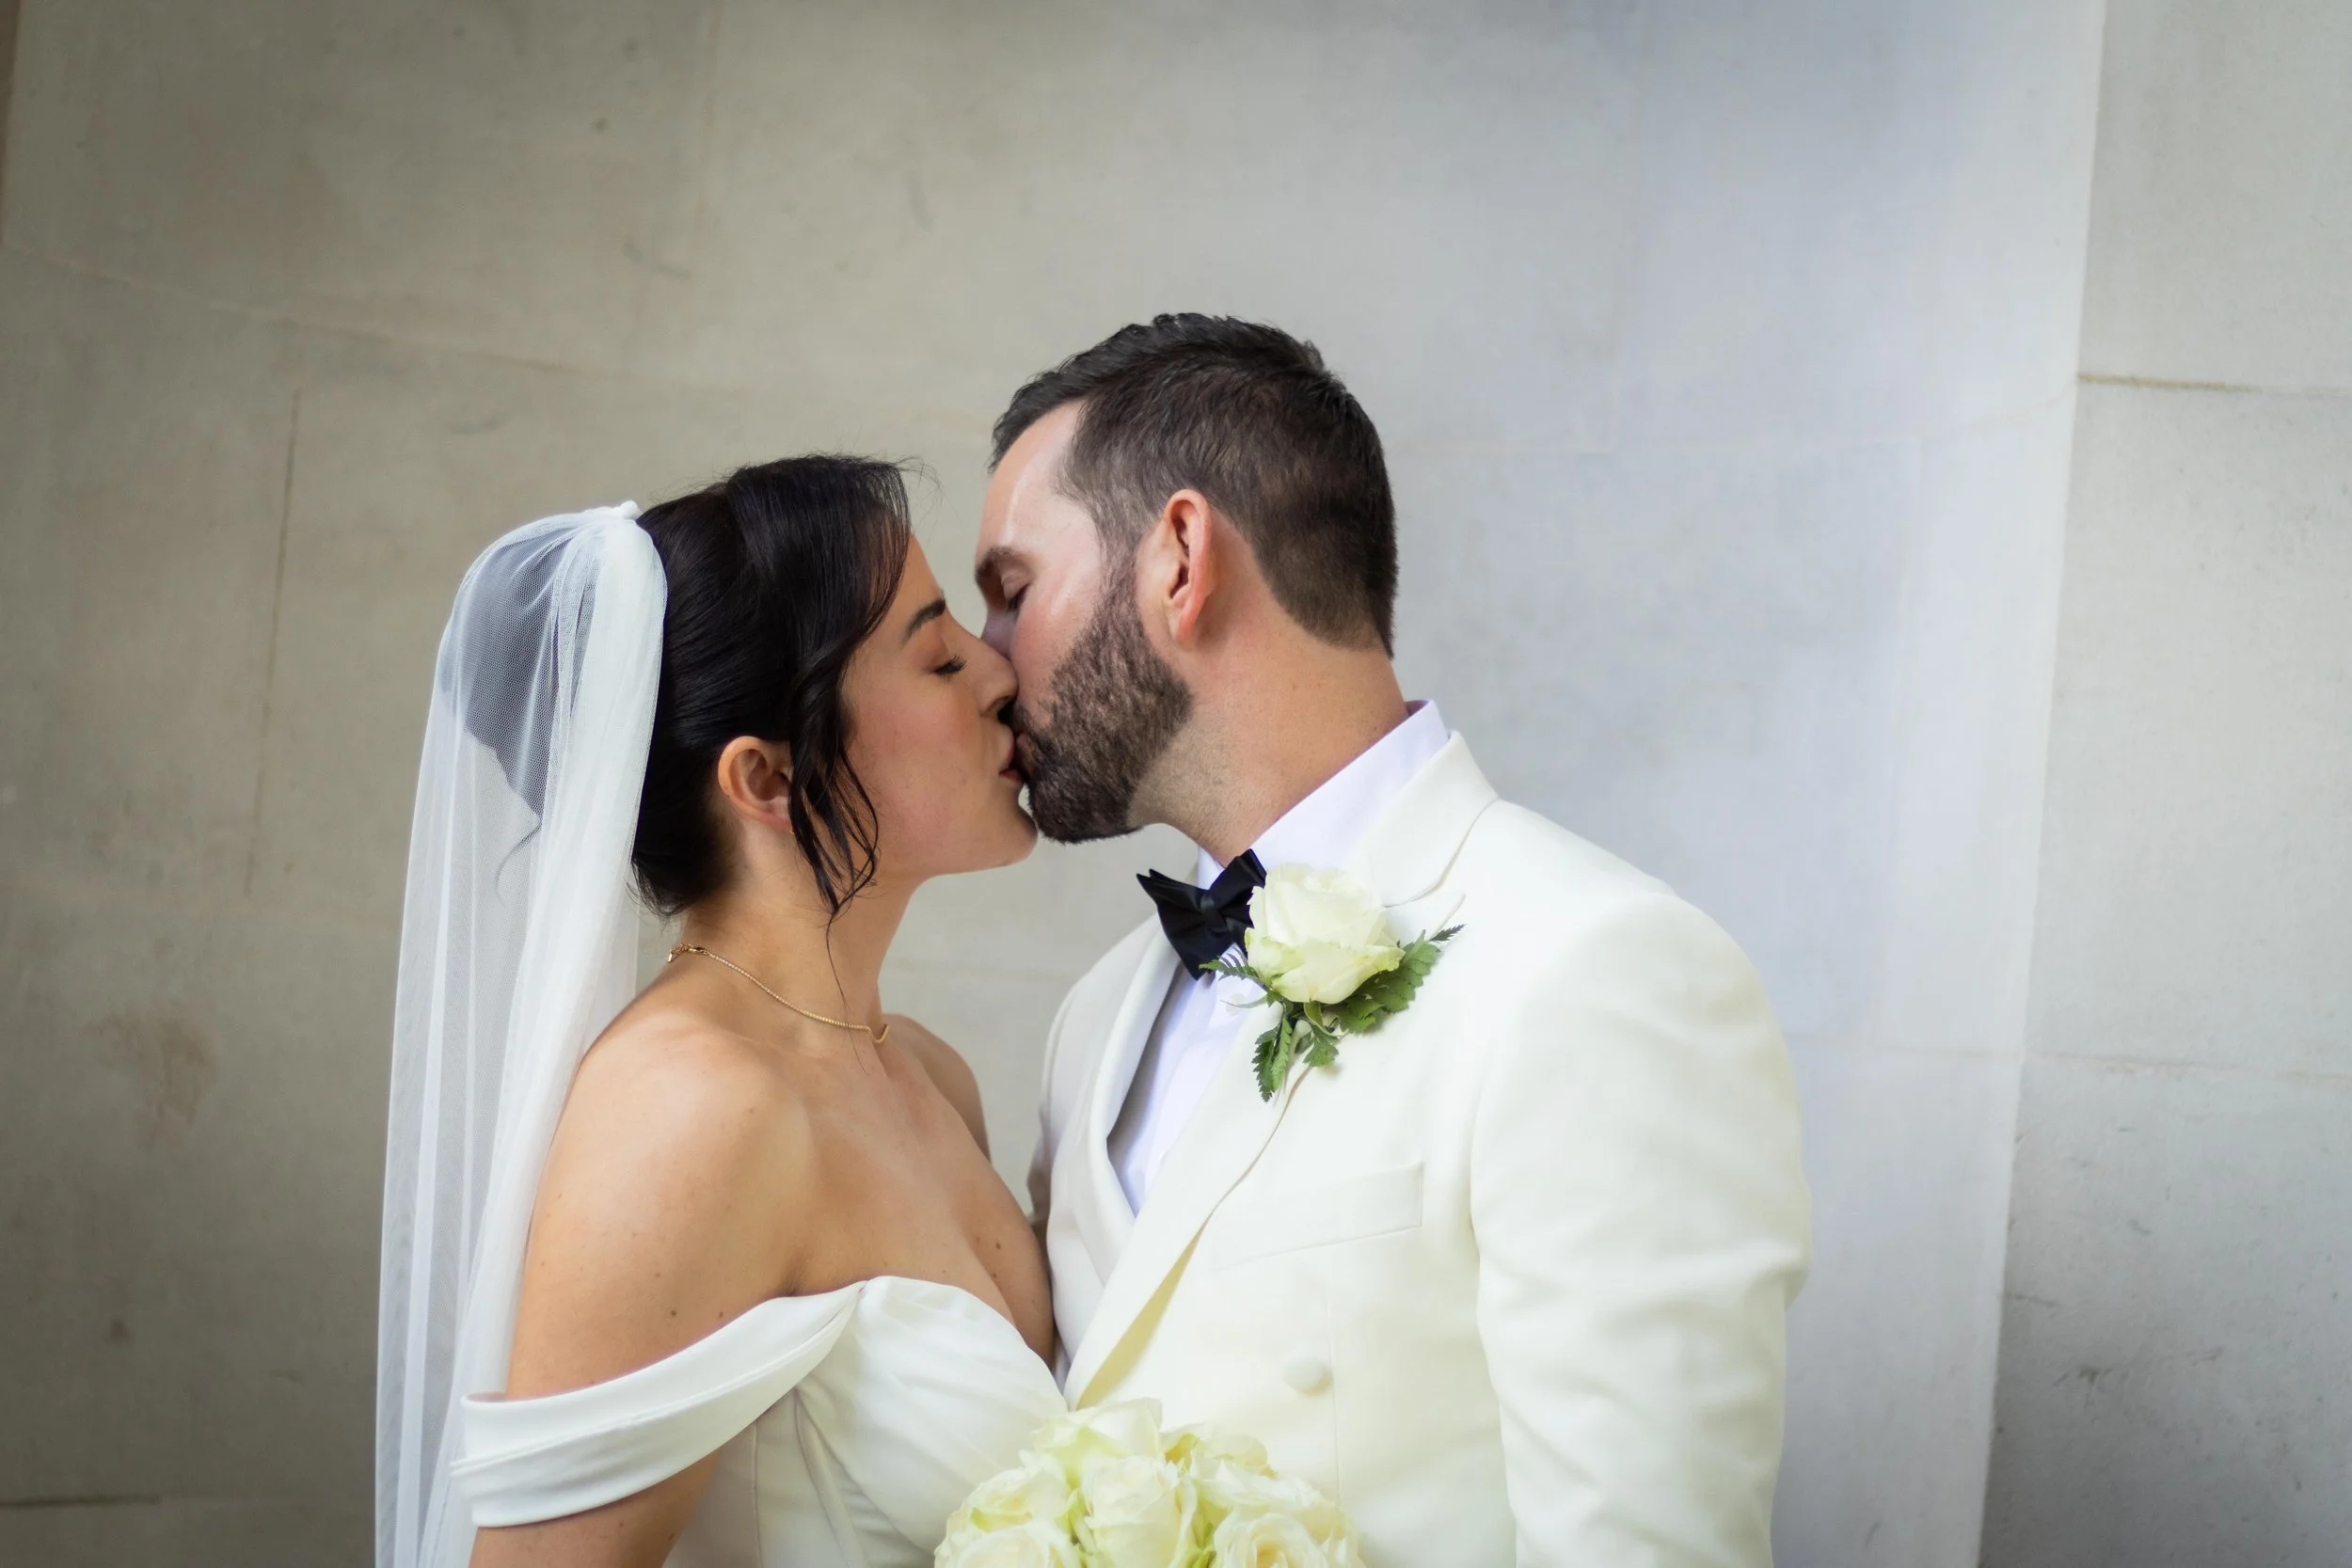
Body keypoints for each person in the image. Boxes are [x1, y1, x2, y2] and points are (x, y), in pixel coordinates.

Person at [981, 315, 1814, 1566]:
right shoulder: (1093, 1018)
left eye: (1012, 590)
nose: (989, 667)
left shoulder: (1594, 968)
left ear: (1181, 558)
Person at [376, 458, 1063, 1568]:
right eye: (939, 654)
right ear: (767, 780)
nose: (1002, 673)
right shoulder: (691, 1110)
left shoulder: (935, 1078)